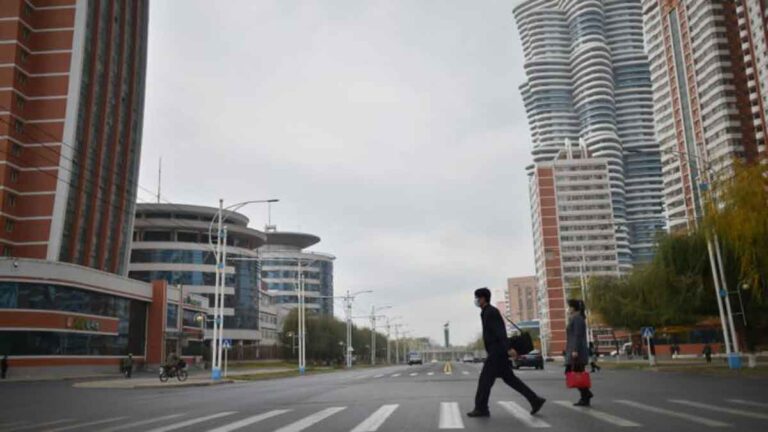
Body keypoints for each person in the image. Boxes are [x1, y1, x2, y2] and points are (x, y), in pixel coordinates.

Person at [467, 288, 546, 418]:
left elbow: (500, 332)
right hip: (497, 352)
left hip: (497, 353)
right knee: (511, 380)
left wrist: (508, 348)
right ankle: (535, 400)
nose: (476, 300)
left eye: (477, 297)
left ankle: (481, 408)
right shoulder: (486, 312)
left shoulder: (491, 312)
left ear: (483, 298)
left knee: (484, 380)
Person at [566, 299, 593, 407]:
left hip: (577, 352)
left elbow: (577, 335)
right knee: (575, 373)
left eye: (569, 306)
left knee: (576, 373)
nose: (568, 309)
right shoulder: (575, 318)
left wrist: (575, 350)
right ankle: (586, 395)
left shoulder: (577, 319)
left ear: (573, 308)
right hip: (574, 350)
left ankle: (585, 396)